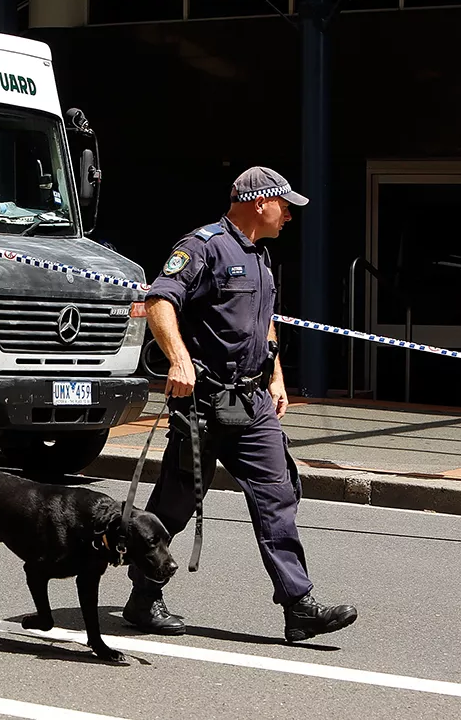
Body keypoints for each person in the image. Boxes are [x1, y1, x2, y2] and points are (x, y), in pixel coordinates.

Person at [122, 166, 358, 643]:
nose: (289, 213)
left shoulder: (260, 256)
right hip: (205, 403)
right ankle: (144, 597)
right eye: (284, 204)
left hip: (252, 404)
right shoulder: (203, 246)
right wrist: (180, 362)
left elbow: (264, 320)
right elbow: (160, 301)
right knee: (175, 504)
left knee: (278, 496)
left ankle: (298, 606)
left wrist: (276, 377)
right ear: (259, 203)